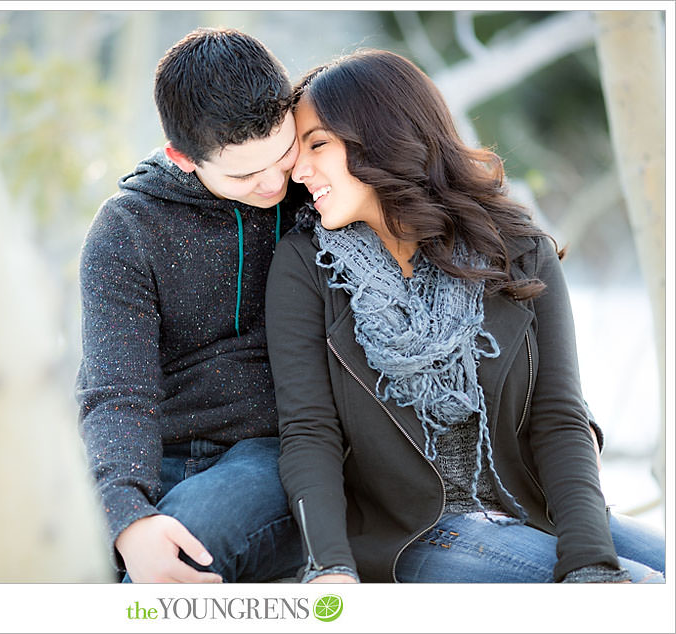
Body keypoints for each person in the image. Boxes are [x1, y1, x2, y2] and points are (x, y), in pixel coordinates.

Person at [264, 49, 665, 583]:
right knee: (645, 591)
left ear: (382, 136)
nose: (299, 168)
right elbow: (309, 431)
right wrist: (329, 566)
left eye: (318, 145)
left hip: (530, 507)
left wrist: (590, 562)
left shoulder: (518, 251)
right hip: (417, 534)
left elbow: (560, 417)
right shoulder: (306, 265)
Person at [75, 27, 307, 583]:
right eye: (246, 174)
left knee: (190, 535)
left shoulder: (318, 188)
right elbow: (116, 389)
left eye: (283, 151)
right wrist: (127, 516)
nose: (276, 180)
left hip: (275, 451)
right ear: (183, 158)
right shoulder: (125, 229)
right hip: (155, 452)